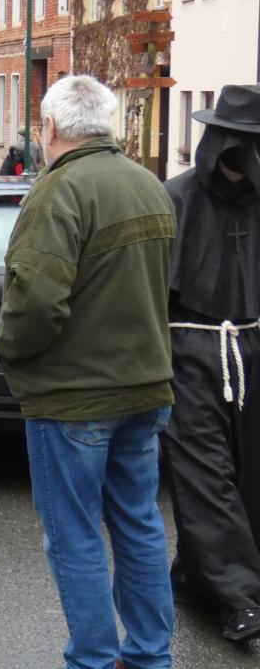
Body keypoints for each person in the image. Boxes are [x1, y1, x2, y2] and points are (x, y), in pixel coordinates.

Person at [0, 76, 177, 669]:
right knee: (139, 523)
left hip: (73, 398)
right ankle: (149, 655)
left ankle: (93, 660)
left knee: (74, 535)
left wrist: (7, 350)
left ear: (49, 128)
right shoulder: (149, 185)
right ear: (106, 124)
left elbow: (35, 303)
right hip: (145, 386)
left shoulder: (58, 190)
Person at [161, 83, 260, 641]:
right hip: (191, 351)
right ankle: (238, 596)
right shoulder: (176, 199)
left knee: (250, 472)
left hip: (253, 348)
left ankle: (197, 577)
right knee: (205, 475)